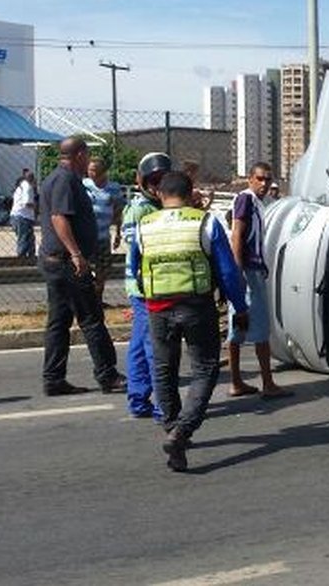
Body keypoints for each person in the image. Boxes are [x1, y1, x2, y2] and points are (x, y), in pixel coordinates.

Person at [132, 170, 249, 472]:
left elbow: (135, 267)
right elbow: (227, 271)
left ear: (160, 194)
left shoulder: (145, 225)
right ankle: (182, 431)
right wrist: (240, 306)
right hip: (197, 306)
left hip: (157, 307)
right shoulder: (205, 222)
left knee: (163, 370)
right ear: (190, 192)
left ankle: (172, 427)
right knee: (205, 368)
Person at [38, 137, 125, 396]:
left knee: (59, 321)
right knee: (91, 318)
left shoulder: (59, 178)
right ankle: (107, 375)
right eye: (86, 155)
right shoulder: (65, 180)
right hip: (67, 263)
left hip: (56, 261)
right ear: (79, 155)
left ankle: (54, 378)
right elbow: (59, 217)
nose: (88, 160)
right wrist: (76, 255)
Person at [227, 162, 290, 398]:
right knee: (260, 327)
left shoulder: (255, 203)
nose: (264, 184)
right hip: (249, 272)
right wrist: (238, 272)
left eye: (268, 179)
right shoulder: (246, 200)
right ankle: (267, 383)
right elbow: (237, 235)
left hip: (250, 270)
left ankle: (237, 382)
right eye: (260, 179)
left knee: (239, 326)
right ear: (250, 179)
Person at [121, 152, 172, 420]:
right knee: (154, 346)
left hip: (152, 285)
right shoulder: (140, 208)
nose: (156, 184)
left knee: (141, 345)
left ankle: (139, 400)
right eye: (152, 179)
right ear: (141, 180)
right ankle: (164, 405)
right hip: (145, 287)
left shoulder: (160, 206)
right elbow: (136, 242)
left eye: (162, 179)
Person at [82, 157, 124, 303]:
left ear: (102, 172)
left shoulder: (113, 188)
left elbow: (118, 211)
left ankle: (98, 298)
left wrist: (118, 233)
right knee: (85, 268)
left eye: (93, 170)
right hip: (85, 236)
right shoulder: (84, 185)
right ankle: (86, 299)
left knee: (103, 269)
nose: (90, 173)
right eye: (89, 170)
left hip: (103, 236)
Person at [10, 168, 37, 258]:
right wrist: (39, 208)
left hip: (17, 216)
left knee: (28, 240)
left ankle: (28, 260)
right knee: (24, 240)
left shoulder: (20, 186)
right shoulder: (28, 187)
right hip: (23, 217)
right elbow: (27, 203)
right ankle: (22, 261)